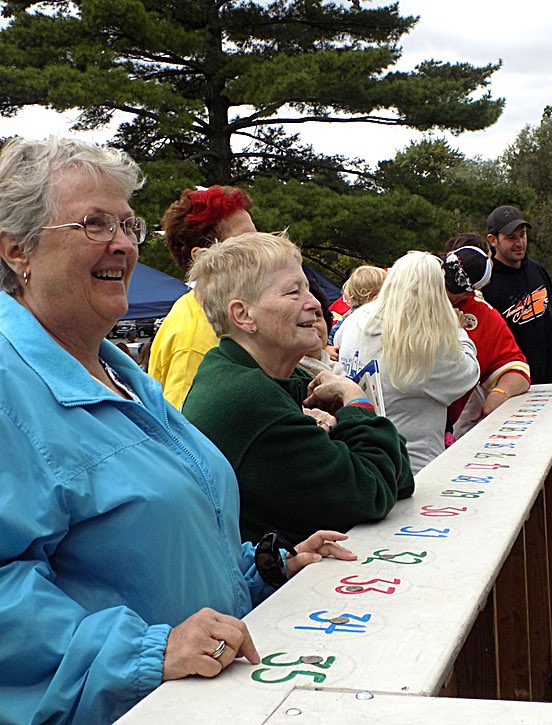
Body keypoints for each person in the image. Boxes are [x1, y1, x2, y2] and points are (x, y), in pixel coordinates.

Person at [0, 138, 355, 725]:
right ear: (17, 251)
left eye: (126, 223)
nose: (122, 243)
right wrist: (149, 651)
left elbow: (157, 548)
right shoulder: (12, 385)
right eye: (93, 223)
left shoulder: (118, 372)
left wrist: (266, 568)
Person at [182, 232, 414, 546]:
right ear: (243, 315)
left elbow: (398, 476)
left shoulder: (255, 376)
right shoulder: (250, 399)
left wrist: (343, 428)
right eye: (294, 292)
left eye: (307, 288)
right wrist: (355, 400)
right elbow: (373, 491)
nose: (315, 303)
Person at [337, 251, 480, 474]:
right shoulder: (427, 343)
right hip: (414, 467)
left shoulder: (357, 320)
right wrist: (458, 330)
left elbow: (338, 344)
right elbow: (468, 373)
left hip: (360, 456)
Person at [149, 185, 256, 408]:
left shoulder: (218, 313)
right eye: (244, 242)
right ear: (202, 257)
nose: (259, 249)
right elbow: (186, 429)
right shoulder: (196, 334)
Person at [442, 238, 531, 438]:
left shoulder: (480, 314)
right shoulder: (404, 284)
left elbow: (517, 369)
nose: (444, 292)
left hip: (436, 432)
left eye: (455, 291)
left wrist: (499, 394)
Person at [483, 205, 552, 384]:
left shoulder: (538, 272)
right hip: (512, 386)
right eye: (511, 238)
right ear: (493, 240)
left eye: (522, 235)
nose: (519, 243)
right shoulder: (487, 283)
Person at [297, 278, 345, 377]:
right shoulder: (286, 375)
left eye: (317, 315)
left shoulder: (337, 370)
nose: (311, 324)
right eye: (301, 319)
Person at [330, 265, 387, 345]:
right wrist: (328, 347)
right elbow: (331, 334)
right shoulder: (350, 316)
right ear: (375, 298)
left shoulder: (349, 317)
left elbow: (331, 334)